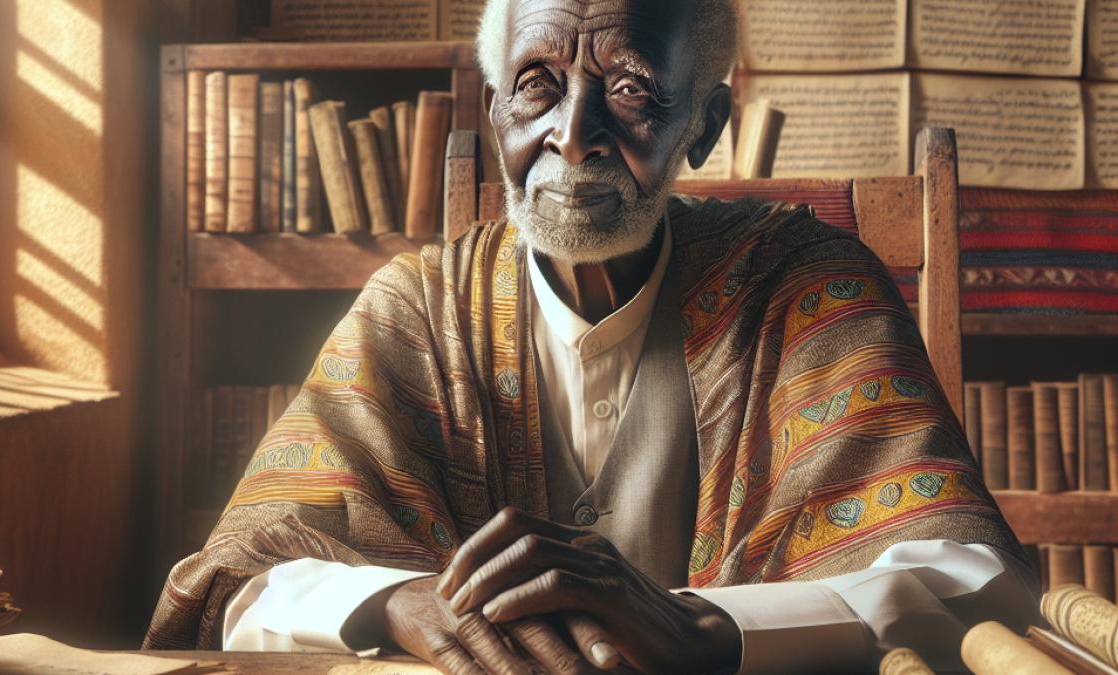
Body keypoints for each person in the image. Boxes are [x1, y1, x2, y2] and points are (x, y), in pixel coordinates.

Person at [146, 0, 1041, 671]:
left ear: (705, 127)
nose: (573, 137)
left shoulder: (807, 287)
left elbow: (971, 579)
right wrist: (399, 601)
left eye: (630, 90)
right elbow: (238, 581)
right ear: (496, 110)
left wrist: (703, 627)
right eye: (536, 85)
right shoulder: (417, 308)